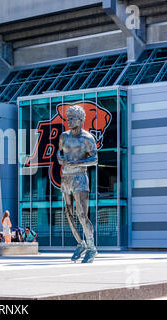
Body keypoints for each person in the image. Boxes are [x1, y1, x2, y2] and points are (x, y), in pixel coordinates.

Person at [57, 105, 98, 263]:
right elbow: (59, 152)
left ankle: (92, 246)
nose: (69, 121)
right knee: (68, 213)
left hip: (80, 178)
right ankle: (80, 243)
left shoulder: (87, 138)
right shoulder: (64, 136)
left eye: (72, 118)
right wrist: (60, 158)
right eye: (68, 118)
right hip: (66, 178)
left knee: (82, 214)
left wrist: (77, 163)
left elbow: (95, 159)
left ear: (81, 120)